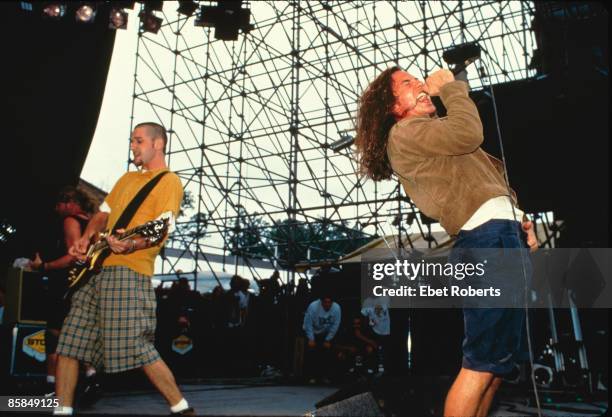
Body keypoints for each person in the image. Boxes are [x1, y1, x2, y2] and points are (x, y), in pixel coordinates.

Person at [355, 67, 538, 417]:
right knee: (482, 364)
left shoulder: (432, 136)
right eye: (408, 84)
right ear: (392, 106)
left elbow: (486, 181)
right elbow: (468, 131)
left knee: (497, 367)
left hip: (500, 234)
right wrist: (453, 89)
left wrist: (519, 221)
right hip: (486, 241)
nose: (422, 86)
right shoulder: (404, 132)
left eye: (419, 80)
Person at [54, 122, 194, 416]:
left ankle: (182, 409)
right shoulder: (126, 179)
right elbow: (102, 215)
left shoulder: (169, 181)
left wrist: (129, 245)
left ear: (158, 144)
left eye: (138, 140)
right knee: (69, 344)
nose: (133, 145)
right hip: (94, 269)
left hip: (128, 271)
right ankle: (62, 410)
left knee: (137, 346)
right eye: (131, 140)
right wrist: (84, 238)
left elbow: (162, 228)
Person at [28, 186, 97, 393]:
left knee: (55, 333)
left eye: (59, 205)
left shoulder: (71, 221)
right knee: (74, 332)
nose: (56, 209)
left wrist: (44, 266)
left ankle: (51, 385)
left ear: (69, 203)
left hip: (67, 284)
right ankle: (90, 376)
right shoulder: (91, 222)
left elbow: (74, 256)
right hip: (85, 283)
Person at [302, 295, 341, 383]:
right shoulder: (313, 307)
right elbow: (308, 324)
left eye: (329, 302)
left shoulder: (336, 308)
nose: (327, 305)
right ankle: (311, 376)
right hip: (313, 331)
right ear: (321, 302)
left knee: (328, 352)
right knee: (311, 351)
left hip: (326, 333)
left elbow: (335, 325)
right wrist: (311, 339)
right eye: (325, 302)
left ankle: (325, 376)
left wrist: (328, 339)